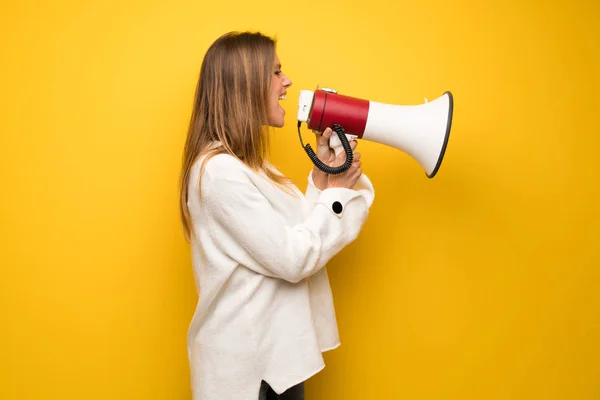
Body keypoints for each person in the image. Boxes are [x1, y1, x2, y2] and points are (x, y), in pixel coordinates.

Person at [178, 31, 375, 400]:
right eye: (276, 72)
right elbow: (293, 258)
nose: (286, 83)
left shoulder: (249, 168)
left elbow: (298, 229)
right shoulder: (219, 174)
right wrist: (337, 194)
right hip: (250, 376)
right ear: (245, 85)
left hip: (273, 363)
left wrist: (323, 179)